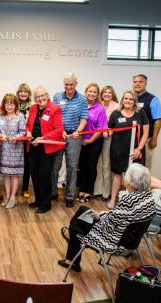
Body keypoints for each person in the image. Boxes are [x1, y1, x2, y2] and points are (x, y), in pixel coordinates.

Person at [58, 163, 156, 272]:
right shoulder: (149, 197)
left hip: (113, 240)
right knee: (83, 211)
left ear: (131, 182)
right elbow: (121, 218)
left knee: (79, 220)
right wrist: (107, 214)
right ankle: (72, 240)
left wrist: (100, 215)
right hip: (132, 240)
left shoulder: (128, 201)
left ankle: (72, 256)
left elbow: (109, 224)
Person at [107, 90, 149, 209]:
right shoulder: (116, 113)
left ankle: (134, 203)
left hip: (135, 150)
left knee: (136, 176)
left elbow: (145, 133)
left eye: (131, 99)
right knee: (117, 174)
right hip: (118, 149)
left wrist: (139, 149)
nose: (128, 101)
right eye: (126, 98)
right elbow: (110, 130)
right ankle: (113, 199)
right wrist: (105, 133)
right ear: (122, 100)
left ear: (134, 101)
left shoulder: (140, 113)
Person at [26, 86, 65, 214]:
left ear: (47, 95)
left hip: (46, 147)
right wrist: (28, 132)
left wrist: (42, 138)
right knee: (35, 174)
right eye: (37, 96)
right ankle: (38, 200)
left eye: (43, 95)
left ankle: (46, 203)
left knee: (44, 175)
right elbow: (28, 125)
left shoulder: (55, 109)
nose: (40, 98)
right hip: (33, 146)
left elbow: (59, 130)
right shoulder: (32, 108)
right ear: (34, 98)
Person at [52, 73, 88, 208]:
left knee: (72, 167)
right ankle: (53, 192)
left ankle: (69, 196)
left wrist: (78, 131)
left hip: (74, 136)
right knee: (54, 166)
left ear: (76, 84)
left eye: (71, 84)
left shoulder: (82, 100)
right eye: (66, 84)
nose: (68, 87)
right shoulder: (56, 97)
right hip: (58, 135)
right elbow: (52, 116)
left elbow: (84, 119)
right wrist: (59, 131)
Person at [0, 94, 26, 209]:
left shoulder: (20, 117)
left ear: (16, 105)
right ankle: (7, 196)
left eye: (12, 103)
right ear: (4, 105)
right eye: (7, 103)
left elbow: (23, 132)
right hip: (3, 149)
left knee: (14, 174)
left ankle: (13, 197)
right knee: (6, 174)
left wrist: (16, 137)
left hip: (16, 149)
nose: (9, 106)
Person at [76, 83, 107, 203]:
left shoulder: (100, 108)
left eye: (94, 92)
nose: (92, 94)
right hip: (81, 141)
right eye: (90, 91)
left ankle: (88, 191)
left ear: (97, 94)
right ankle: (81, 190)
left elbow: (101, 128)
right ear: (86, 92)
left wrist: (90, 140)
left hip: (94, 142)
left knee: (91, 166)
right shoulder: (81, 106)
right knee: (82, 167)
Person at [94, 85, 120, 201]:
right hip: (97, 138)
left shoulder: (117, 107)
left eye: (109, 92)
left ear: (112, 94)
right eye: (105, 92)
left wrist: (109, 131)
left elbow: (117, 125)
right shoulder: (98, 105)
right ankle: (98, 191)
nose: (107, 94)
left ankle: (106, 192)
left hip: (110, 139)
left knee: (106, 165)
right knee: (98, 164)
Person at [133, 74, 161, 170]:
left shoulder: (153, 99)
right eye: (135, 82)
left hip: (146, 139)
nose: (137, 84)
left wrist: (154, 138)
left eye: (140, 82)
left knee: (145, 166)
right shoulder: (130, 98)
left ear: (145, 84)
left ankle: (145, 185)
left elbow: (158, 120)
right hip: (132, 139)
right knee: (132, 167)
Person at [16, 83, 33, 198]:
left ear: (29, 94)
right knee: (15, 164)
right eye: (21, 91)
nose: (23, 93)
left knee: (27, 165)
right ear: (18, 93)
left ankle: (25, 188)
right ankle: (13, 189)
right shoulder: (13, 105)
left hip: (27, 140)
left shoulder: (32, 107)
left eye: (25, 91)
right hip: (16, 139)